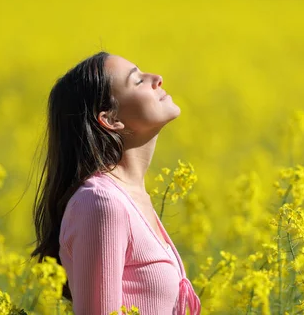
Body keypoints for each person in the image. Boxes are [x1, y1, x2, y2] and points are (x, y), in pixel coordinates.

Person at [31, 51, 201, 315]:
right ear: (111, 119)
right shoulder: (101, 202)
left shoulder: (130, 196)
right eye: (137, 81)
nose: (157, 78)